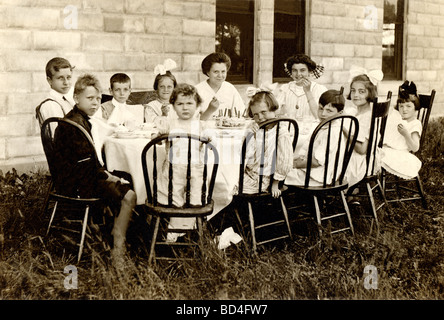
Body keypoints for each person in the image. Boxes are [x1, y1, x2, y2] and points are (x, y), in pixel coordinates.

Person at [53, 74, 137, 261]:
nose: (95, 103)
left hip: (75, 177)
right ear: (76, 98)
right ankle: (118, 241)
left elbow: (87, 162)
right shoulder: (75, 125)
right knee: (130, 194)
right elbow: (86, 166)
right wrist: (110, 177)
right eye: (89, 98)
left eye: (98, 99)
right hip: (76, 184)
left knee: (127, 176)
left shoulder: (79, 118)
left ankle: (111, 228)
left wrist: (110, 174)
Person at [155, 83, 211, 241]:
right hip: (174, 170)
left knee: (195, 198)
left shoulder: (201, 125)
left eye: (189, 103)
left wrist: (207, 137)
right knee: (174, 199)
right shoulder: (170, 124)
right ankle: (174, 233)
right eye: (179, 104)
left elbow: (210, 138)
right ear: (173, 106)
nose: (185, 108)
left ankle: (189, 231)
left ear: (198, 105)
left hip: (195, 170)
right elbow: (158, 138)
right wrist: (158, 135)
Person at [238, 89, 293, 198]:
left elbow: (284, 160)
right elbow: (245, 153)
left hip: (263, 180)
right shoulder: (255, 127)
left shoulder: (280, 131)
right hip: (248, 172)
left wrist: (275, 183)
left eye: (264, 112)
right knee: (221, 178)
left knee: (227, 185)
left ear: (273, 110)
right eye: (255, 114)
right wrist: (249, 133)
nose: (260, 118)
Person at [285, 90, 346, 187]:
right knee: (281, 167)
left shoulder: (332, 132)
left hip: (318, 177)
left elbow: (316, 162)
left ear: (340, 113)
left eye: (329, 111)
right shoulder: (325, 126)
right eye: (321, 109)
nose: (323, 114)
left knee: (277, 174)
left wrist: (295, 165)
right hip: (316, 172)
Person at [343, 68, 383, 187]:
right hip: (358, 156)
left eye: (361, 92)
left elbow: (361, 149)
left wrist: (344, 130)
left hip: (360, 161)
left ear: (370, 93)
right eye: (353, 91)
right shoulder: (355, 112)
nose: (356, 95)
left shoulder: (366, 118)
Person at [381, 82, 422, 179]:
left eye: (408, 106)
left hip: (401, 154)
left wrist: (406, 134)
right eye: (401, 106)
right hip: (390, 150)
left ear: (415, 107)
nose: (404, 110)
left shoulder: (415, 124)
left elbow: (415, 148)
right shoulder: (398, 119)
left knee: (376, 156)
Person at [195, 52, 246, 120]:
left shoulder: (230, 88)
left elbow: (240, 114)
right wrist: (209, 110)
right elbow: (194, 122)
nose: (220, 75)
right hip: (204, 129)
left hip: (228, 130)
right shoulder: (197, 90)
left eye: (223, 71)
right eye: (216, 72)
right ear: (208, 72)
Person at [276, 54, 327, 122]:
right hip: (289, 129)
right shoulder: (285, 88)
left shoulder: (320, 89)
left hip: (311, 129)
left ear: (309, 71)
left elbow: (319, 116)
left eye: (302, 70)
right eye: (294, 70)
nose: (298, 74)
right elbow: (275, 111)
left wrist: (308, 91)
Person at [37, 57, 75, 125]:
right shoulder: (50, 105)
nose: (66, 82)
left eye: (68, 77)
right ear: (50, 80)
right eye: (60, 78)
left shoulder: (73, 96)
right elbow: (57, 134)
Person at [144, 59, 178, 124]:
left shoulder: (179, 104)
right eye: (162, 86)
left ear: (174, 88)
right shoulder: (151, 107)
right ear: (156, 88)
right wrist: (163, 115)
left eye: (169, 87)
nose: (166, 90)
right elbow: (151, 125)